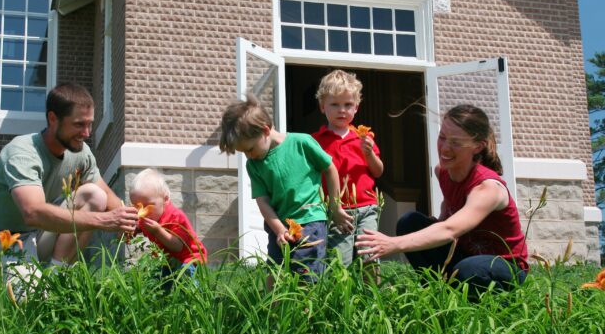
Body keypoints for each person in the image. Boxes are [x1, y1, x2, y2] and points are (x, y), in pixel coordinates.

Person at [356, 104, 528, 296]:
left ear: (477, 146)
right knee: (410, 222)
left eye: (456, 142)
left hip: (505, 267)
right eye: (442, 137)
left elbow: (450, 229)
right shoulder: (443, 172)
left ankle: (492, 303)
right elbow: (446, 218)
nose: (445, 148)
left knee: (468, 269)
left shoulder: (487, 188)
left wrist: (393, 244)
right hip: (465, 256)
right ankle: (438, 294)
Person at [0, 83, 138, 268]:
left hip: (38, 235)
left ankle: (56, 277)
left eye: (90, 124)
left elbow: (106, 194)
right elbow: (33, 212)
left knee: (95, 195)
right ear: (53, 118)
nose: (86, 133)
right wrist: (106, 220)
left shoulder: (81, 153)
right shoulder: (22, 152)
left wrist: (131, 222)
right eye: (79, 124)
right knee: (25, 298)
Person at [218, 95, 353, 282]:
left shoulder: (301, 143)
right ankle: (272, 311)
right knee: (275, 273)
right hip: (279, 227)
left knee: (307, 274)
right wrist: (279, 229)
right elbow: (263, 201)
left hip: (310, 220)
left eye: (250, 149)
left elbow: (329, 168)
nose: (248, 156)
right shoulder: (255, 165)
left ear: (265, 131)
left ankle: (307, 310)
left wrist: (335, 207)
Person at [311, 70, 384, 272]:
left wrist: (369, 154)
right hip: (338, 210)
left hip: (366, 206)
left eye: (348, 105)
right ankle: (339, 300)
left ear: (356, 107)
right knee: (339, 260)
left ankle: (372, 300)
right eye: (335, 104)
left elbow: (378, 172)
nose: (342, 110)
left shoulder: (363, 137)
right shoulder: (316, 141)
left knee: (369, 256)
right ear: (322, 106)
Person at [128, 168, 207, 289]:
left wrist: (158, 231)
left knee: (186, 280)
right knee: (157, 282)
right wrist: (132, 230)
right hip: (167, 261)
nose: (141, 212)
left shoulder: (176, 217)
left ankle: (196, 300)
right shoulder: (147, 218)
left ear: (165, 199)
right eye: (137, 206)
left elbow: (177, 247)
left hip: (188, 259)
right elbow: (136, 228)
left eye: (147, 205)